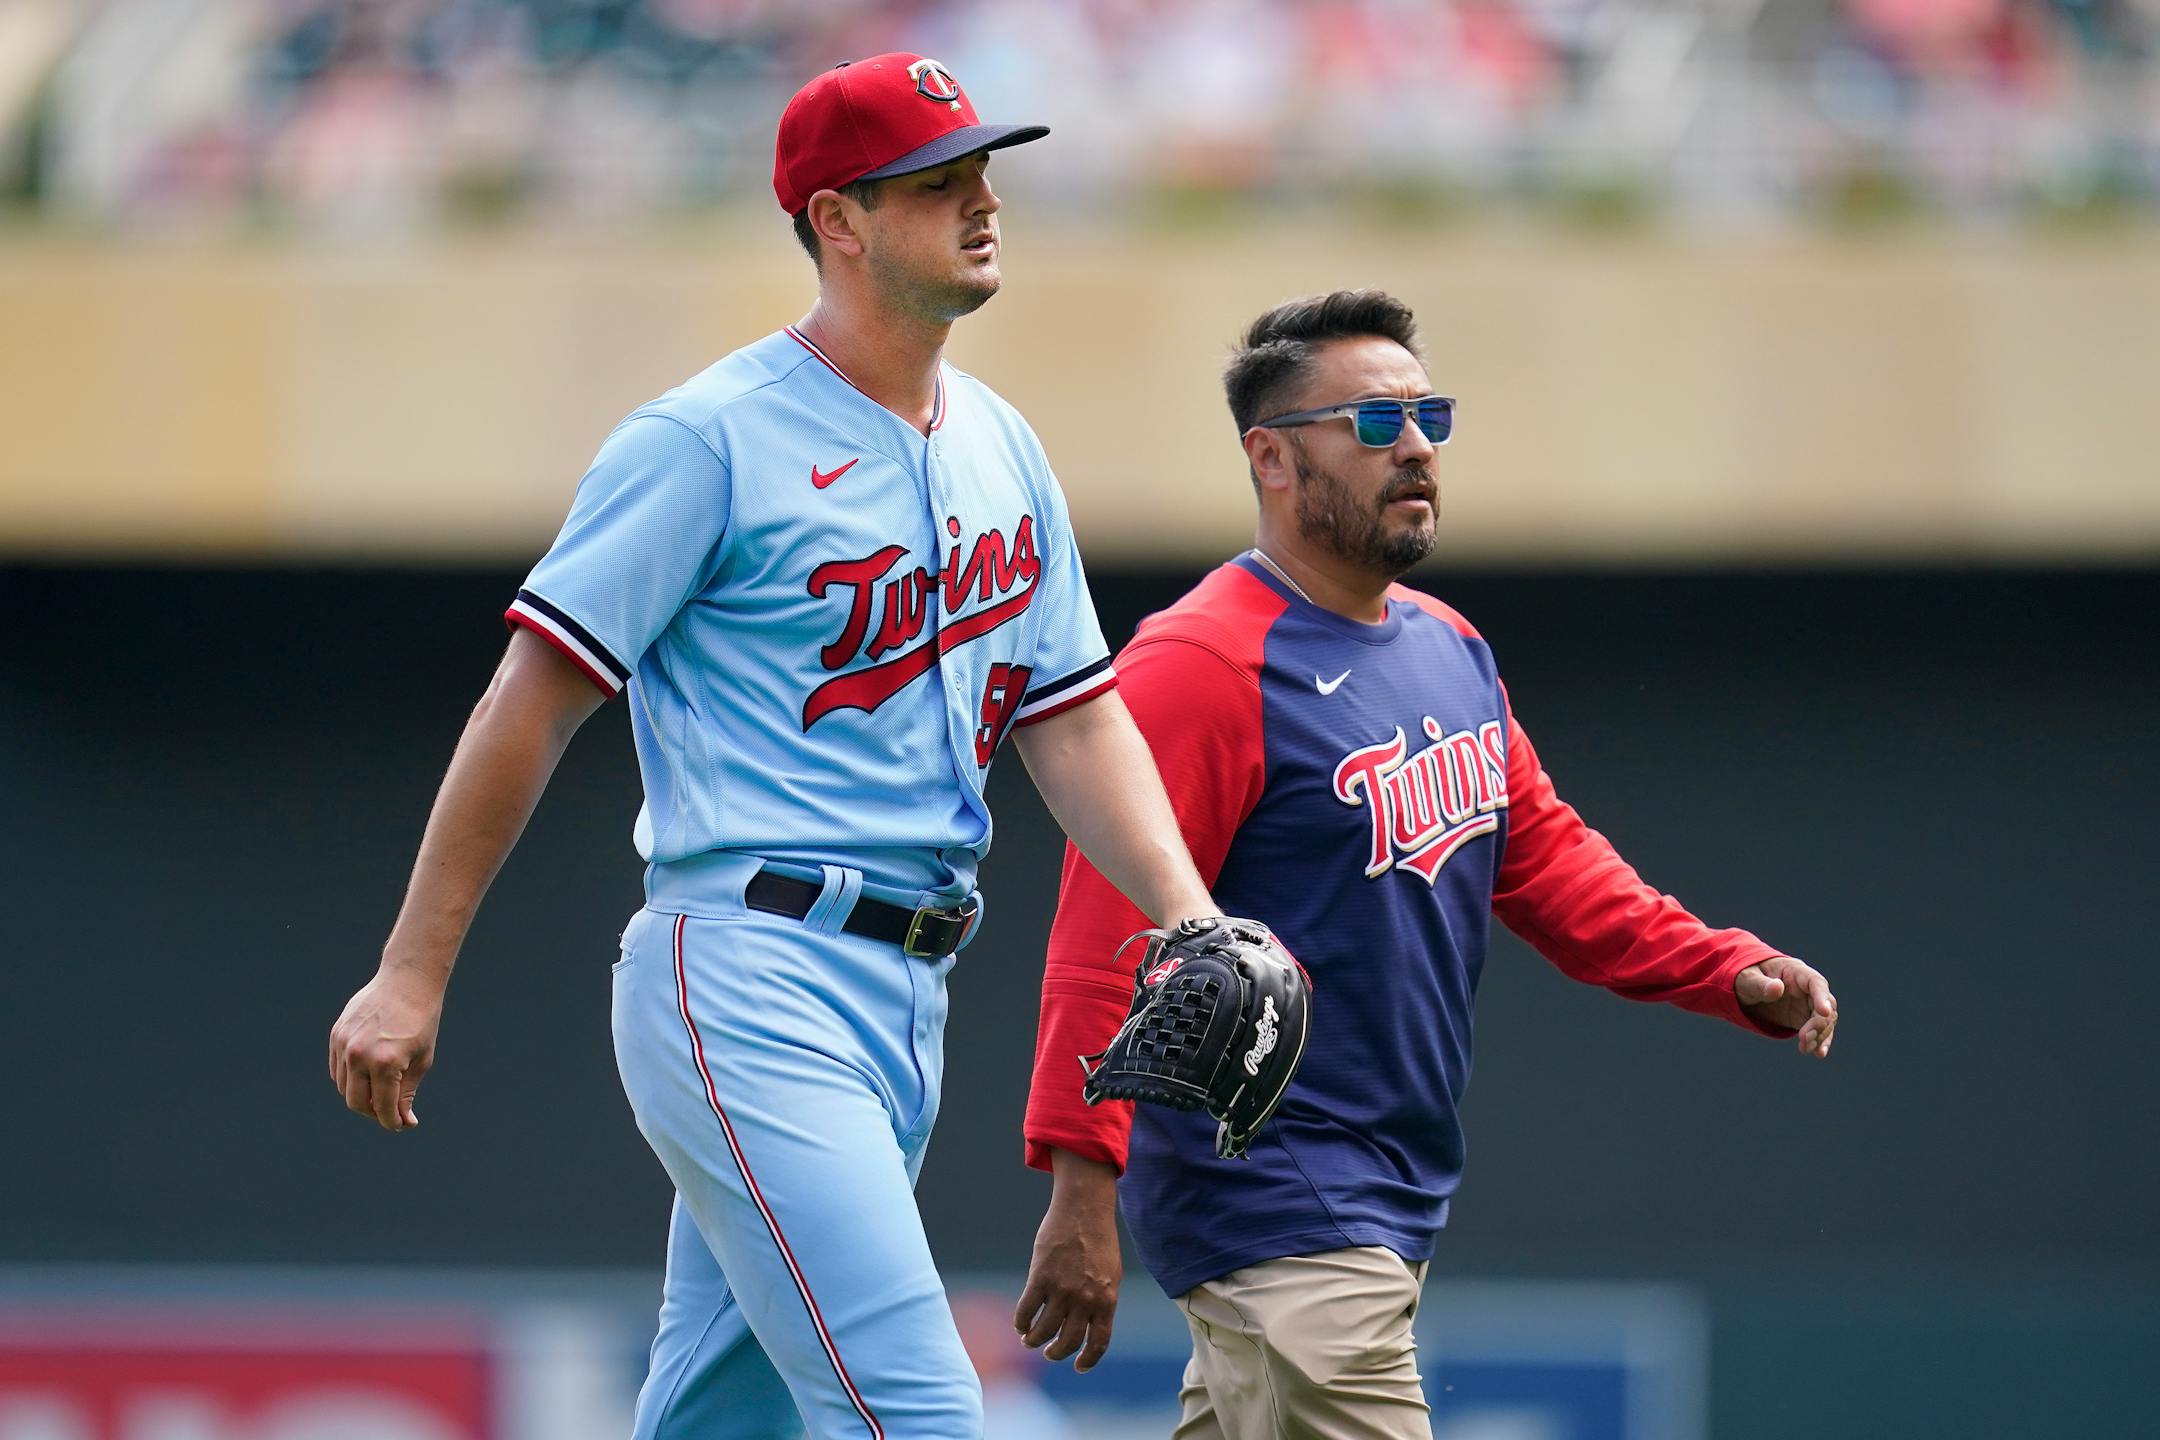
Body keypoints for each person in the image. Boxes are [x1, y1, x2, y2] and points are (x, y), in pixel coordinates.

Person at [328, 54, 1221, 1440]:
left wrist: (1190, 919)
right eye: (939, 183)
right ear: (839, 221)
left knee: (722, 1419)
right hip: (749, 973)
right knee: (919, 1413)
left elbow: (1074, 716)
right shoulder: (708, 438)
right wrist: (408, 969)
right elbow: (534, 695)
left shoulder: (1001, 442)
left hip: (911, 993)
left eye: (984, 172)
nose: (983, 202)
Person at [1013, 290, 1839, 1438]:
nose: (1413, 447)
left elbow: (1547, 861)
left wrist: (1721, 968)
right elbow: (1106, 929)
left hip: (1379, 1195)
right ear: (1272, 459)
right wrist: (1081, 1182)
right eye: (1370, 422)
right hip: (1277, 1193)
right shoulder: (1202, 662)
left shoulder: (1447, 646)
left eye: (1428, 415)